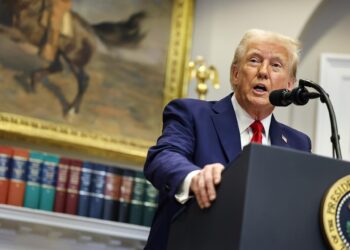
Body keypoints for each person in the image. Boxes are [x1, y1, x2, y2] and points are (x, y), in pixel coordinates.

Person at [143, 29, 312, 250]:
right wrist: (194, 178)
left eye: (276, 65)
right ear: (235, 74)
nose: (263, 72)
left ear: (290, 84)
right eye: (254, 60)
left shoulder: (298, 144)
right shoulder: (192, 114)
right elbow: (163, 157)